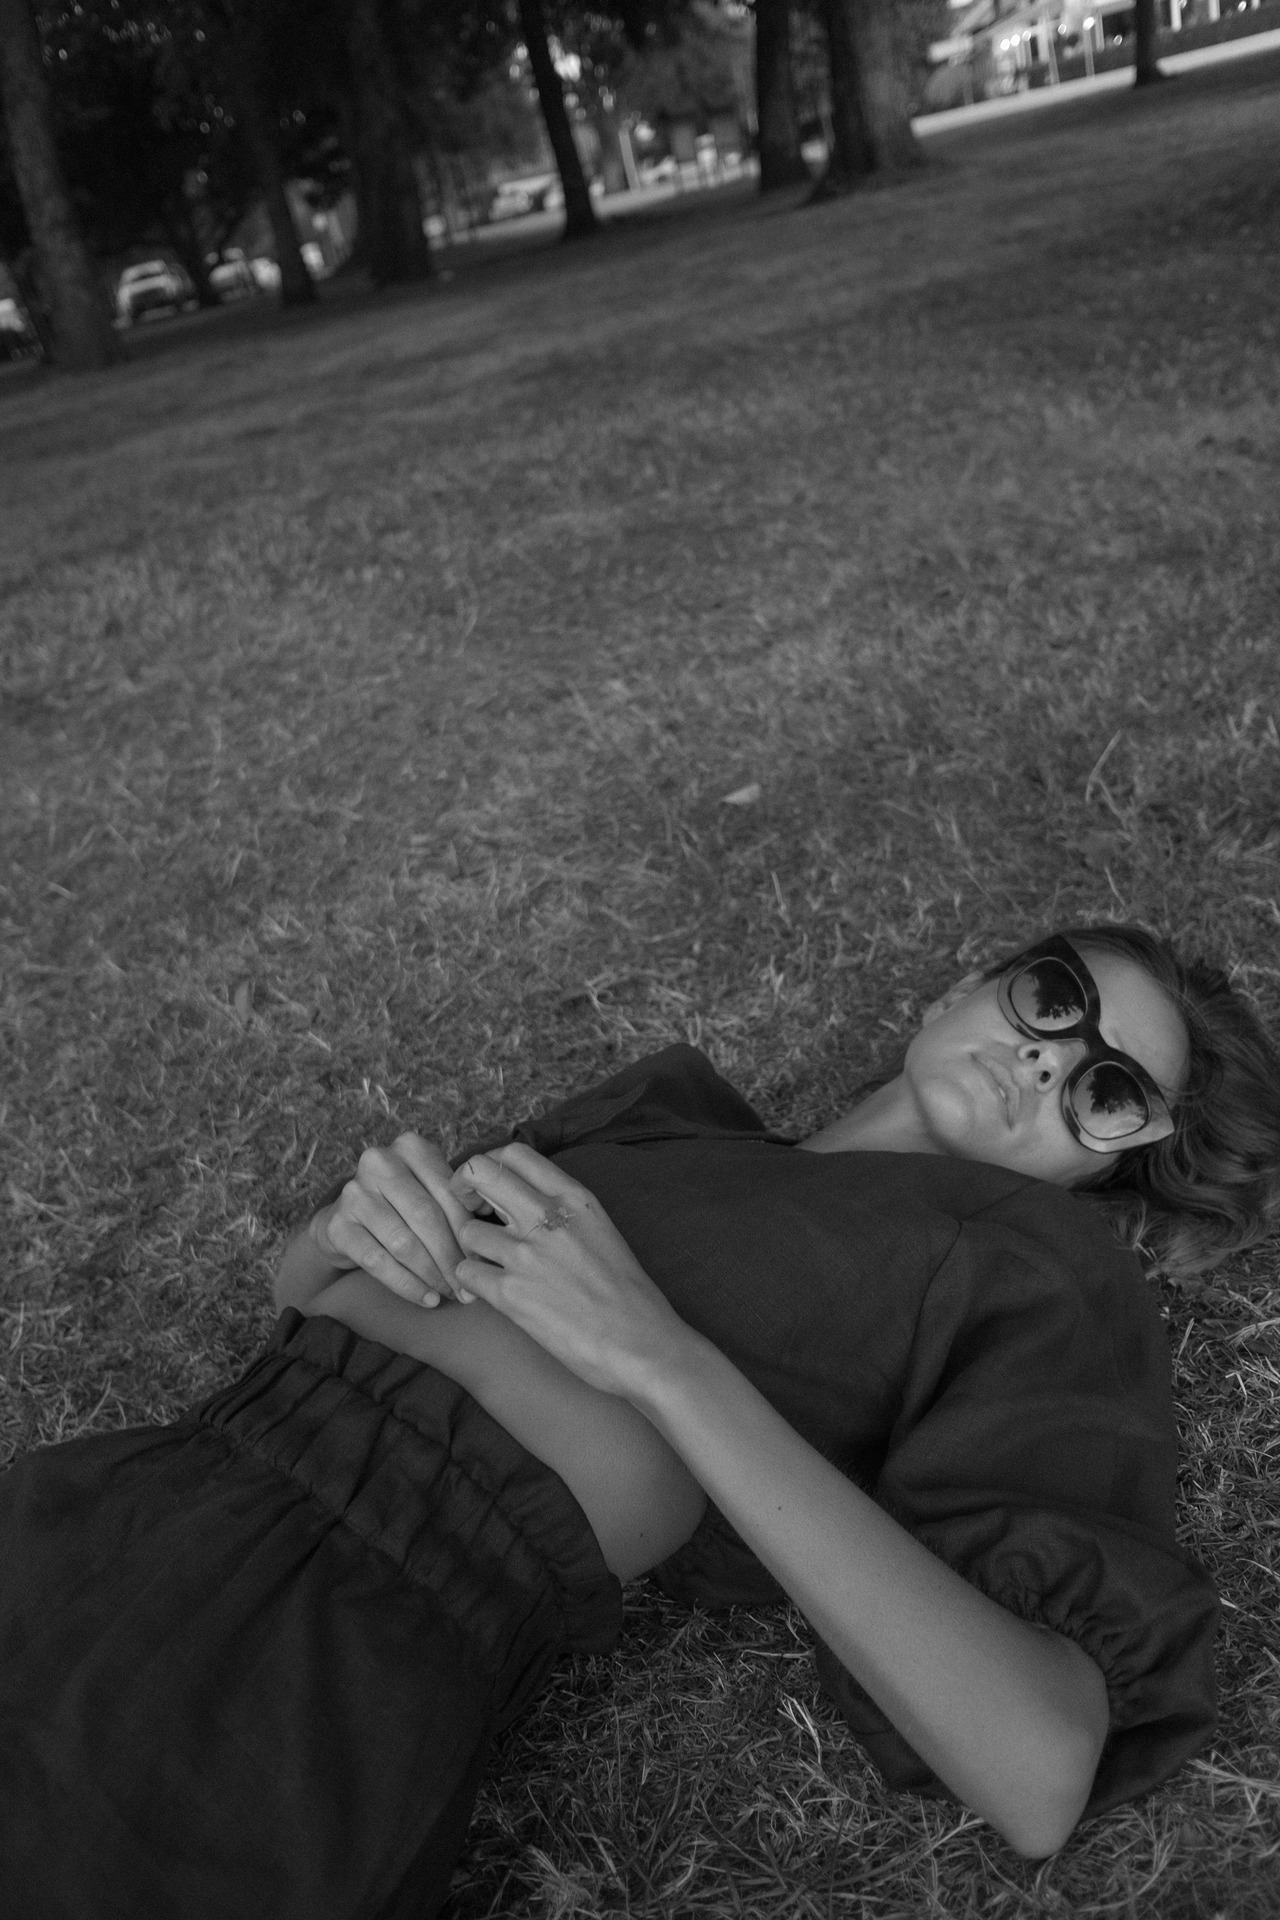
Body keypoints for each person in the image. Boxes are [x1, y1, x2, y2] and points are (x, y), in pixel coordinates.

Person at [2, 924, 1277, 1920]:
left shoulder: (1038, 1266)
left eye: (1106, 1091)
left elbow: (1038, 1770)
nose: (1051, 1059)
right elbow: (308, 1297)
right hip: (123, 1497)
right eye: (1052, 1000)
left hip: (322, 1651)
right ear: (964, 988)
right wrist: (341, 1231)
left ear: (1101, 1169)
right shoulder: (662, 1120)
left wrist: (662, 1360)